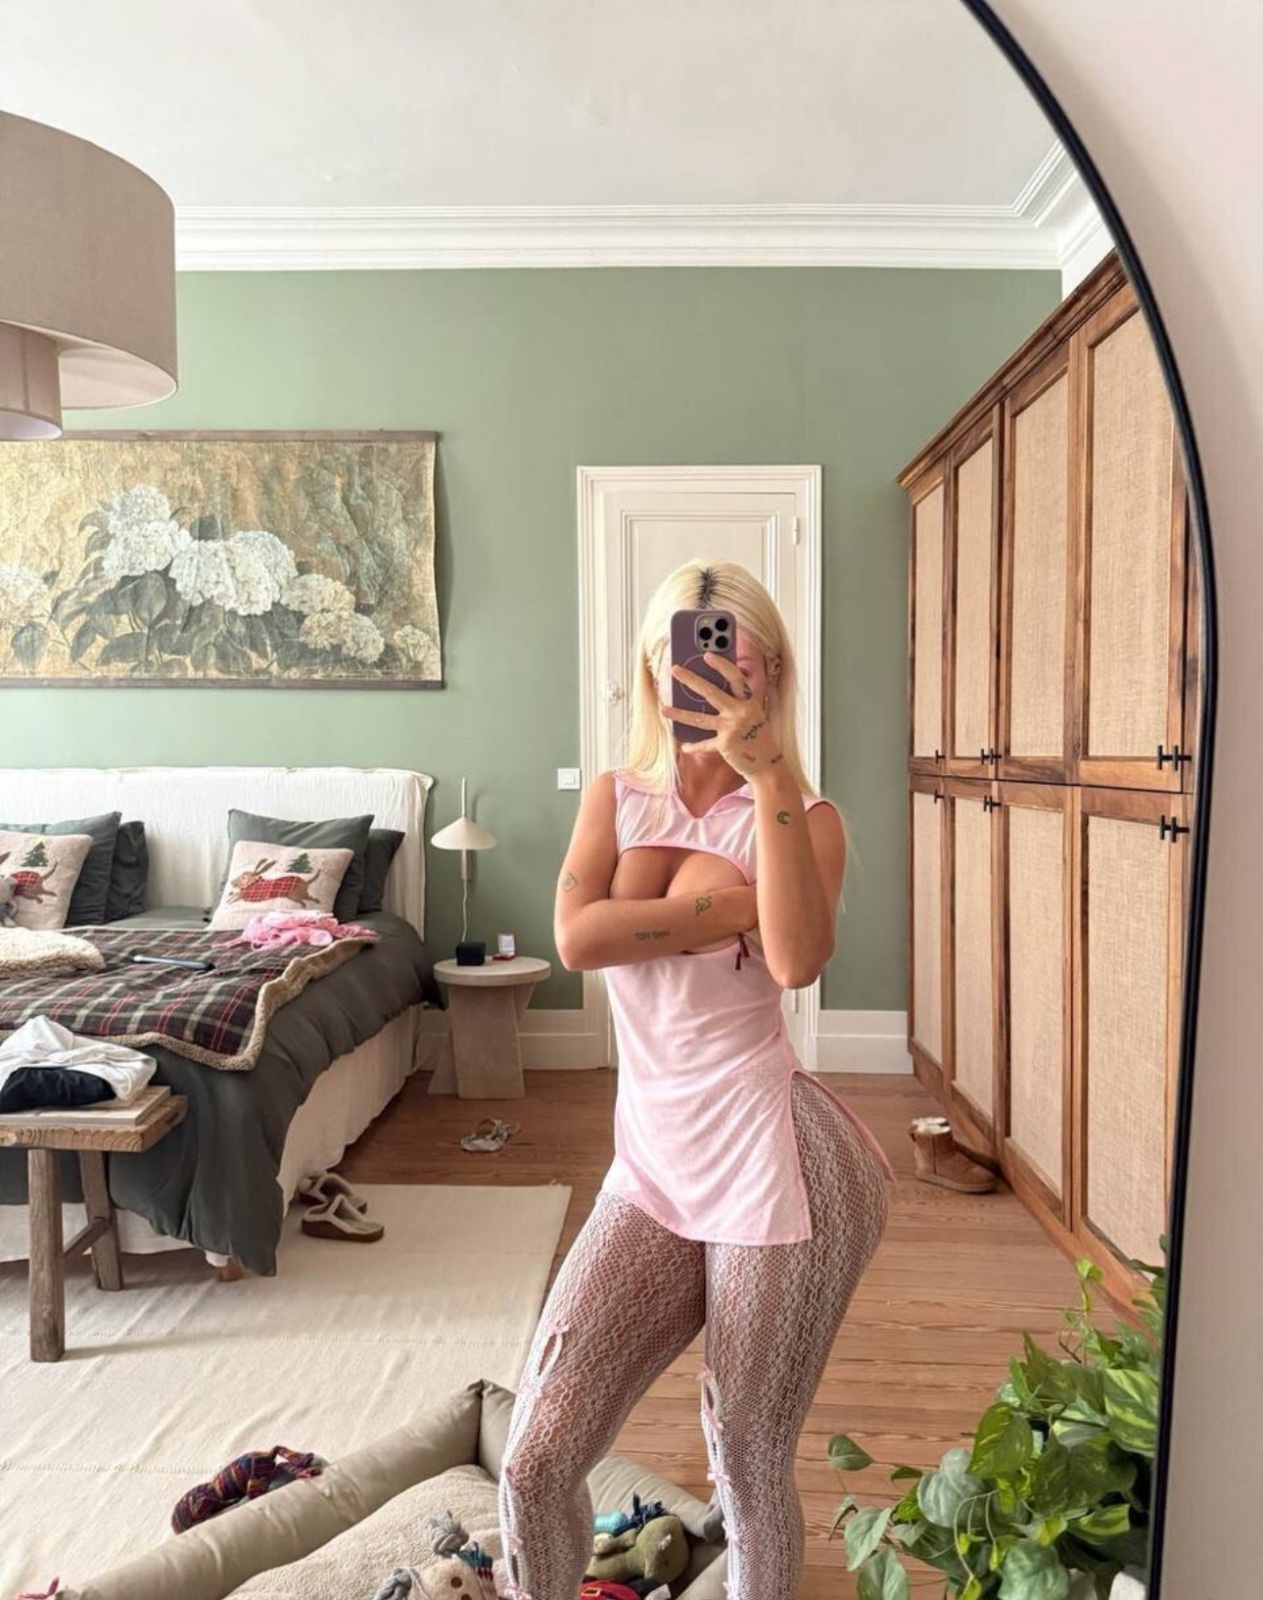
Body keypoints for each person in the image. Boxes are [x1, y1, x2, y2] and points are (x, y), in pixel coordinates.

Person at [496, 560, 894, 1600]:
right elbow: (576, 940)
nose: (711, 679)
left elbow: (796, 961)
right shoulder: (614, 799)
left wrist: (768, 782)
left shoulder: (806, 817)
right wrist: (727, 909)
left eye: (736, 660)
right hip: (652, 1165)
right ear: (651, 669)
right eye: (688, 656)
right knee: (536, 1458)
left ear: (773, 675)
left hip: (773, 1163)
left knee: (748, 1459)